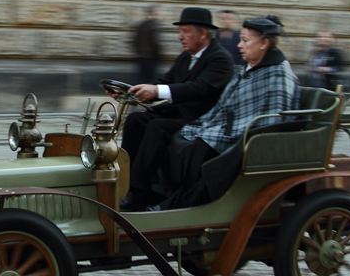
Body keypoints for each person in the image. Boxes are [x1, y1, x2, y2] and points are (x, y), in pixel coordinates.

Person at [122, 15, 300, 212]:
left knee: (198, 145)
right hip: (221, 123)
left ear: (264, 43)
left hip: (248, 135)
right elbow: (225, 102)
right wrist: (136, 92)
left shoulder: (276, 73)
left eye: (245, 40)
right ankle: (135, 189)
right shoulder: (249, 67)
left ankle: (177, 205)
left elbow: (273, 119)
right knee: (139, 121)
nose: (239, 45)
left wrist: (228, 129)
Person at [116, 7, 235, 211]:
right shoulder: (186, 56)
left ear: (203, 33)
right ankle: (123, 180)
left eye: (185, 31)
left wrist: (156, 90)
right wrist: (131, 91)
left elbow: (199, 88)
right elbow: (165, 81)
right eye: (180, 31)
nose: (180, 37)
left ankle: (138, 192)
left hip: (202, 119)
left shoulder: (220, 58)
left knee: (158, 127)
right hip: (179, 114)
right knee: (136, 120)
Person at [132, 5, 162, 83]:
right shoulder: (154, 25)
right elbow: (155, 42)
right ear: (154, 13)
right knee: (148, 79)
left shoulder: (142, 24)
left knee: (142, 77)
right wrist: (158, 54)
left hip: (142, 56)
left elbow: (135, 41)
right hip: (150, 57)